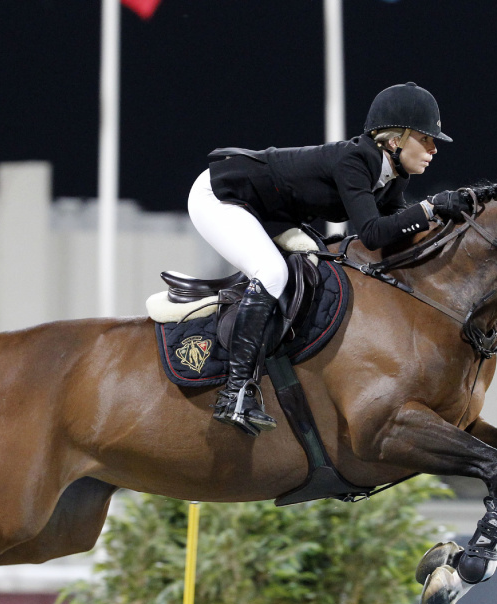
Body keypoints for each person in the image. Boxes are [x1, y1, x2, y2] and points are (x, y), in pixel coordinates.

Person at [187, 82, 475, 436]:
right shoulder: (355, 160)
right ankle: (235, 393)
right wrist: (429, 207)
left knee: (314, 263)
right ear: (396, 139)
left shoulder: (392, 177)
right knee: (273, 273)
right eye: (426, 139)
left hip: (268, 211)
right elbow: (371, 233)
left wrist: (444, 217)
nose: (433, 148)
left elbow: (398, 231)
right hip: (221, 195)